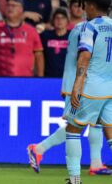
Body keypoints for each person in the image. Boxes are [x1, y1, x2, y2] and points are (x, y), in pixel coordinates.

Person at [27, 10, 112, 177]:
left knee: (95, 123)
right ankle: (38, 149)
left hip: (91, 84)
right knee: (76, 126)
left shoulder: (87, 27)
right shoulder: (84, 28)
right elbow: (81, 58)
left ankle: (96, 163)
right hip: (79, 84)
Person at [66, 0, 112, 184]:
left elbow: (84, 57)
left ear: (92, 6)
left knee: (72, 130)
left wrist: (76, 85)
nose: (85, 10)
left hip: (92, 88)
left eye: (86, 6)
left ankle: (74, 179)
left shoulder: (89, 27)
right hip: (110, 88)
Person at [0, 0, 44, 77]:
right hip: (1, 79)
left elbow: (39, 55)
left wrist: (40, 78)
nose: (10, 8)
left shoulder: (31, 30)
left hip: (26, 79)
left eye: (14, 5)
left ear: (21, 9)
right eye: (8, 5)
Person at [40, 8, 69, 77]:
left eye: (63, 18)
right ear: (52, 20)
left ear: (67, 21)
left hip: (67, 77)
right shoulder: (45, 35)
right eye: (57, 18)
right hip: (48, 76)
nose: (60, 20)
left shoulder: (73, 36)